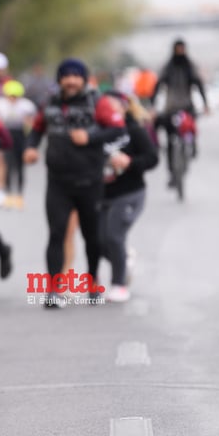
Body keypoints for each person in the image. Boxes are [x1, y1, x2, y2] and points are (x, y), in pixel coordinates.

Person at [23, 58, 125, 308]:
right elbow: (37, 128)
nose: (71, 81)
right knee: (56, 233)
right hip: (58, 181)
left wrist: (90, 136)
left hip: (90, 181)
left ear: (83, 79)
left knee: (92, 236)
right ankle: (54, 290)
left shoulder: (96, 102)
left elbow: (117, 129)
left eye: (76, 76)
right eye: (66, 76)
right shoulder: (50, 103)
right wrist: (31, 147)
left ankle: (92, 284)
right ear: (59, 80)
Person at [99, 92, 159, 302]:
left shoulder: (134, 130)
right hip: (102, 194)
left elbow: (152, 158)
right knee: (97, 241)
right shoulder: (98, 131)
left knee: (114, 236)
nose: (108, 110)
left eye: (112, 106)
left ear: (124, 107)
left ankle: (119, 285)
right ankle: (125, 258)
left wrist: (129, 162)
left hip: (130, 193)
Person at [151, 39, 209, 184]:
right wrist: (153, 105)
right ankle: (172, 172)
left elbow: (199, 84)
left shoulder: (190, 66)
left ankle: (192, 145)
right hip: (171, 107)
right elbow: (157, 85)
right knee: (171, 139)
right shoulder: (168, 67)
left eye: (182, 49)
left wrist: (205, 103)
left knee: (190, 128)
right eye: (178, 49)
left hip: (187, 105)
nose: (180, 52)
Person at [0, 79, 37, 209]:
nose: (12, 99)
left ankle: (19, 194)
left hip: (20, 136)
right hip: (6, 135)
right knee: (7, 164)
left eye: (15, 96)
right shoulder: (0, 104)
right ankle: (7, 193)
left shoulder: (26, 105)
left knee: (19, 165)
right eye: (10, 96)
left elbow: (31, 123)